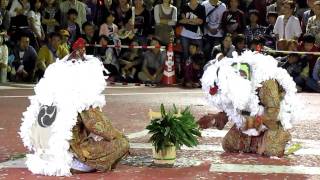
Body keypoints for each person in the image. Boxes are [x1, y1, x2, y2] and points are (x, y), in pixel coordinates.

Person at [20, 38, 129, 176]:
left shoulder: (45, 95)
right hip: (67, 158)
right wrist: (119, 137)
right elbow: (99, 126)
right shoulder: (80, 96)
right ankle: (80, 163)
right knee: (122, 144)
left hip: (42, 157)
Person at [199, 51, 299, 157]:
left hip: (272, 121)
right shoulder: (232, 88)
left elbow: (273, 111)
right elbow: (231, 107)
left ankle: (283, 137)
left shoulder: (265, 82)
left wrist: (251, 125)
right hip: (250, 121)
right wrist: (216, 119)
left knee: (272, 151)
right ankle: (256, 142)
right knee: (229, 145)